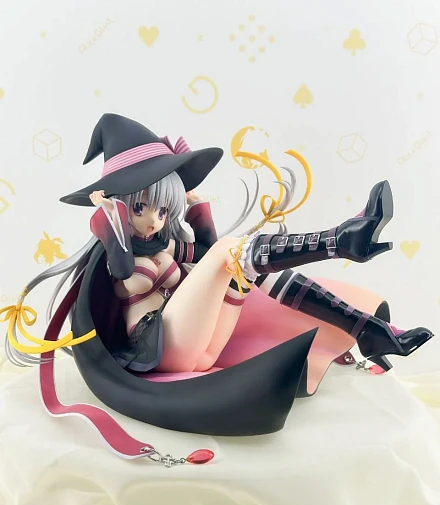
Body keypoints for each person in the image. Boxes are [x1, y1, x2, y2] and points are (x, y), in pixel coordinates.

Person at [1, 113, 434, 443]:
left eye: (162, 209)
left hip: (201, 352)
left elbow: (209, 253)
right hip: (159, 348)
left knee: (237, 264)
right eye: (140, 207)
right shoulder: (119, 257)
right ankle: (340, 242)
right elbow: (124, 269)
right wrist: (110, 216)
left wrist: (195, 208)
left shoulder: (167, 247)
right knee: (233, 251)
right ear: (119, 207)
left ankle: (366, 328)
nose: (153, 220)